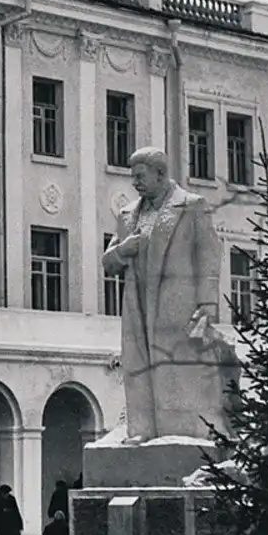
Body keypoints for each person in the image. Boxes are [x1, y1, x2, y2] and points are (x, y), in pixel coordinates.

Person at [102, 146, 228, 443]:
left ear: (160, 174)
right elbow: (108, 262)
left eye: (140, 176)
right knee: (139, 366)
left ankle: (180, 432)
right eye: (133, 176)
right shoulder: (128, 215)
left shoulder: (191, 206)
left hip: (178, 306)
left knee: (176, 368)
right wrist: (122, 250)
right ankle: (142, 429)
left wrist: (207, 305)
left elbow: (209, 256)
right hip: (138, 306)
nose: (135, 183)